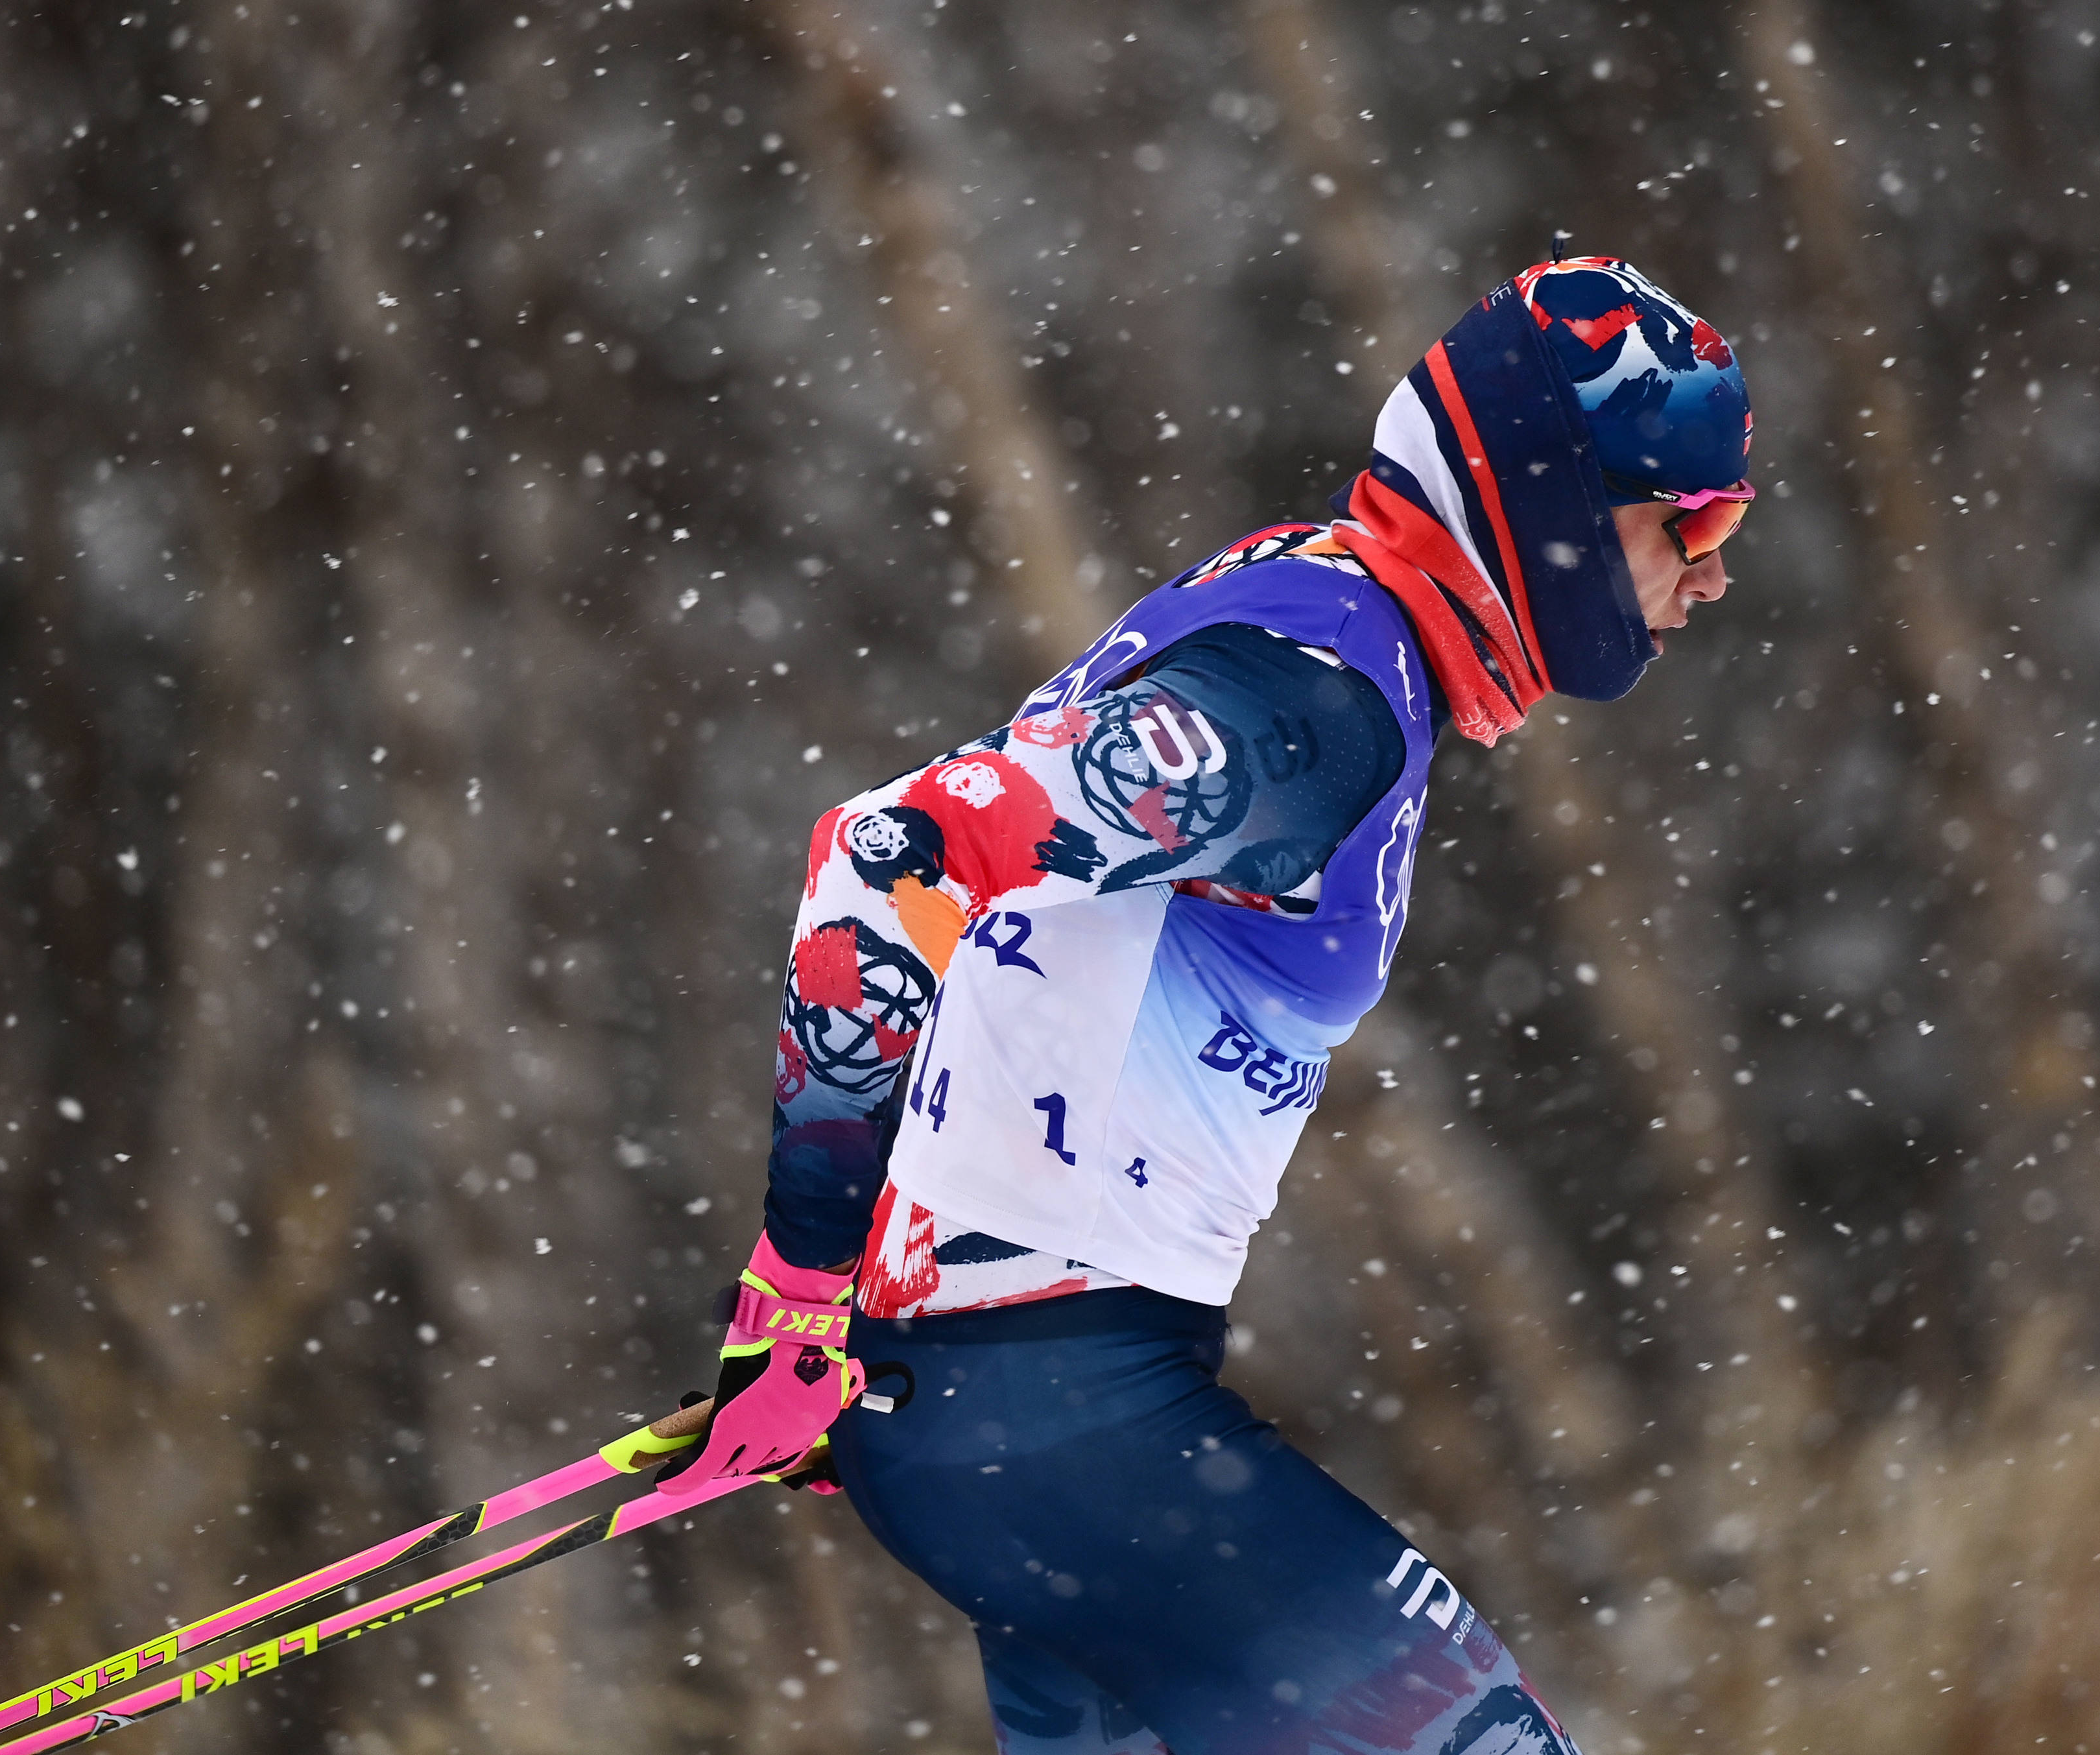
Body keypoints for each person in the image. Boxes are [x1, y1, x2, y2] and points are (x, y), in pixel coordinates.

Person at [662, 250, 1752, 1755]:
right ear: (1554, 505)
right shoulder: (1316, 704)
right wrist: (804, 1277)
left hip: (1031, 1408)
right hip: (1056, 1415)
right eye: (1683, 521)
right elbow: (893, 852)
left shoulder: (1318, 616)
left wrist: (847, 1308)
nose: (1707, 573)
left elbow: (1007, 918)